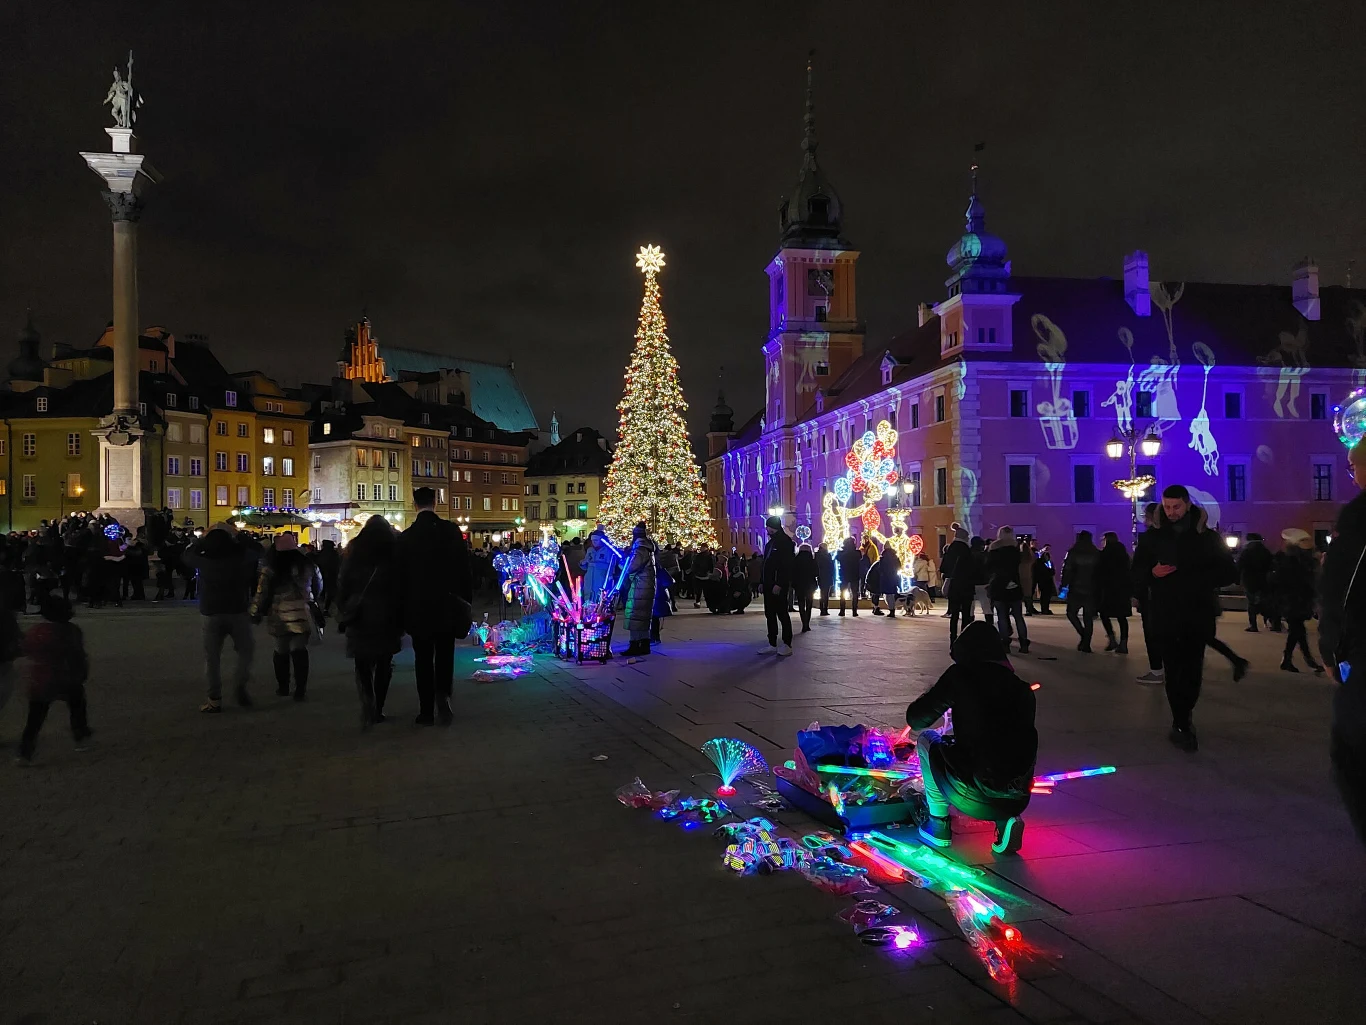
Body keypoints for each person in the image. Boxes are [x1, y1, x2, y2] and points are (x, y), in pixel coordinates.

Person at [905, 621, 1037, 855]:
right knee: (1002, 751)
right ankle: (1006, 820)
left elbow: (916, 720)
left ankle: (938, 826)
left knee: (927, 739)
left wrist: (936, 693)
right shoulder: (1023, 689)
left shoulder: (962, 675)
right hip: (1017, 796)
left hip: (970, 794)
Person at [1131, 484, 1236, 752]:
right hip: (1165, 614)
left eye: (1176, 507)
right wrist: (1152, 573)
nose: (1171, 512)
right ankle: (1180, 722)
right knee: (1173, 671)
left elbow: (1228, 573)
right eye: (1167, 507)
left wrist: (1197, 577)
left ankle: (1184, 714)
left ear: (1187, 505)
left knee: (1191, 672)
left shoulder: (1206, 537)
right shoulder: (1152, 538)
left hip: (1196, 613)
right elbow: (1136, 574)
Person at [1317, 440, 1366, 846]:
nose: (1351, 477)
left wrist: (1331, 653)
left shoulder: (1360, 521)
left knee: (1351, 752)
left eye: (1352, 467)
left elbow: (1340, 592)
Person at [396, 487, 473, 724]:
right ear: (435, 503)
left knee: (422, 658)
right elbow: (464, 569)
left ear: (415, 504)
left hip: (418, 607)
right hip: (447, 604)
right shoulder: (450, 531)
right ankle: (444, 695)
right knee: (445, 655)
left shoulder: (406, 537)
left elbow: (399, 577)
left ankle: (426, 710)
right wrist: (465, 600)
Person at [183, 523, 260, 713]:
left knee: (212, 658)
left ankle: (214, 698)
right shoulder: (241, 558)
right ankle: (240, 684)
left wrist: (202, 539)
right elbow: (258, 550)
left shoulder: (204, 561)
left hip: (211, 612)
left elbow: (186, 555)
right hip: (237, 610)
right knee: (245, 652)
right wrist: (238, 535)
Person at [336, 516, 402, 728]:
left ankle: (367, 700)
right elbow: (403, 583)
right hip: (388, 614)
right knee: (384, 663)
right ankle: (378, 707)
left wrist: (343, 606)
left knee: (362, 663)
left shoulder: (355, 549)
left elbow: (343, 581)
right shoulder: (394, 550)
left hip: (360, 614)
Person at [15, 595, 91, 765]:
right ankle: (80, 735)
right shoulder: (72, 631)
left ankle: (25, 752)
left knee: (34, 719)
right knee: (77, 705)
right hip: (67, 676)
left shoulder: (38, 631)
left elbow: (26, 649)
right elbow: (78, 654)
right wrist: (82, 671)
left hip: (42, 678)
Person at [251, 532, 323, 701]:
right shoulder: (308, 565)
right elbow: (319, 585)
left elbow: (261, 592)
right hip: (301, 611)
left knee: (280, 649)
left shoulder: (271, 567)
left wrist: (255, 611)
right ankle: (300, 689)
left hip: (279, 613)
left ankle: (283, 687)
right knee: (299, 649)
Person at [1274, 527, 1324, 674]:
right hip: (1293, 600)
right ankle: (1301, 660)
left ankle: (1293, 660)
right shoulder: (1295, 561)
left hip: (1294, 600)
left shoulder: (1294, 560)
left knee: (1298, 631)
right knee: (1297, 631)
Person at [1132, 504, 1166, 684]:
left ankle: (1157, 670)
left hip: (1151, 594)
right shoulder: (1173, 536)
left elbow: (1139, 568)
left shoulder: (1149, 539)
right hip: (1171, 595)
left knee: (1152, 633)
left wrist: (1137, 593)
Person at [986, 526, 1030, 654]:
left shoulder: (993, 549)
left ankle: (1005, 643)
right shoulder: (1017, 550)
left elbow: (988, 568)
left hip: (999, 586)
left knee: (1002, 617)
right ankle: (1024, 642)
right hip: (1015, 586)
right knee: (1018, 617)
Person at [618, 522, 657, 657]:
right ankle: (643, 643)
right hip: (645, 585)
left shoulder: (640, 549)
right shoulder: (645, 547)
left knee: (635, 615)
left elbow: (631, 567)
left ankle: (635, 644)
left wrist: (622, 562)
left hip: (641, 586)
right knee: (642, 616)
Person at [759, 515, 795, 655]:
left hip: (778, 585)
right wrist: (762, 582)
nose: (767, 529)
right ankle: (772, 643)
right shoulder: (771, 543)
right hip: (768, 584)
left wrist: (779, 583)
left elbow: (786, 566)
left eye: (768, 527)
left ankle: (787, 644)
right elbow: (765, 565)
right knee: (770, 614)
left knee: (782, 613)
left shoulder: (784, 542)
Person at [1061, 530, 1101, 652]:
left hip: (1076, 588)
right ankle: (1086, 642)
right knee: (1088, 617)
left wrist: (1063, 585)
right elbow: (1100, 573)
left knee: (1071, 613)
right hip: (1091, 589)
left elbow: (1067, 569)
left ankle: (1083, 636)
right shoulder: (1096, 553)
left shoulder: (1073, 552)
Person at [939, 523, 978, 647]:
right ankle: (964, 638)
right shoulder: (967, 550)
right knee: (966, 614)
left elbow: (943, 568)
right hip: (966, 586)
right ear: (965, 537)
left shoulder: (950, 549)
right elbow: (972, 569)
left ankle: (953, 639)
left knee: (954, 615)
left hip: (954, 586)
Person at [1096, 531, 1132, 654]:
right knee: (1122, 617)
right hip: (1122, 589)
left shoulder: (1104, 555)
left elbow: (1100, 572)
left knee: (1104, 614)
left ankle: (1112, 638)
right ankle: (1123, 643)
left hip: (1108, 589)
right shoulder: (1123, 554)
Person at [1237, 532, 1274, 632]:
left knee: (1251, 603)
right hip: (1263, 580)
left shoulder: (1246, 551)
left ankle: (1253, 625)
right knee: (1264, 601)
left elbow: (1240, 565)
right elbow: (1271, 565)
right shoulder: (1265, 551)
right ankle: (1272, 621)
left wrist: (1236, 578)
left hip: (1249, 580)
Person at [580, 527, 616, 606]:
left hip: (601, 579)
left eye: (596, 540)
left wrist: (596, 564)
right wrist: (583, 563)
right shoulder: (590, 550)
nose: (594, 542)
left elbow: (611, 566)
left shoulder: (608, 551)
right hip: (589, 581)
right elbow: (586, 564)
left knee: (600, 600)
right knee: (588, 600)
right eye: (592, 541)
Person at [793, 541, 817, 632]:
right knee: (809, 604)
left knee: (801, 604)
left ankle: (804, 622)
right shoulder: (812, 560)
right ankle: (807, 623)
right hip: (810, 584)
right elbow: (816, 573)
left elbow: (793, 572)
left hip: (799, 584)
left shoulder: (796, 559)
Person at [315, 539, 341, 615]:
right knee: (330, 593)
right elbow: (337, 565)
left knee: (321, 592)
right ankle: (326, 609)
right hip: (331, 576)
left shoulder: (320, 554)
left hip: (321, 576)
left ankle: (321, 608)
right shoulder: (334, 554)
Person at [837, 537, 860, 617]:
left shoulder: (841, 552)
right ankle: (854, 611)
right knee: (855, 593)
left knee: (842, 593)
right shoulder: (857, 553)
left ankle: (842, 610)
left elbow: (838, 558)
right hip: (854, 574)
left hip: (844, 574)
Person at [657, 543, 681, 613]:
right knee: (671, 591)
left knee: (662, 592)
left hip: (662, 575)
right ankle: (673, 604)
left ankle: (666, 606)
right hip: (672, 575)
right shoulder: (673, 556)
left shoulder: (659, 556)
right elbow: (676, 567)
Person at [1033, 545, 1056, 614]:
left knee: (1047, 596)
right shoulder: (1040, 563)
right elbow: (1045, 571)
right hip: (1043, 581)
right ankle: (1044, 609)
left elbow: (1052, 571)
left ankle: (1046, 608)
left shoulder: (1049, 563)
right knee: (1044, 596)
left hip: (1048, 581)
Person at [814, 541, 835, 616]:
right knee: (826, 594)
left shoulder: (817, 555)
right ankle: (825, 609)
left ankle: (822, 608)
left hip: (820, 576)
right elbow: (831, 566)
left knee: (822, 593)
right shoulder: (827, 555)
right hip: (827, 576)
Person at [1019, 539, 1038, 615]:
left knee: (1019, 595)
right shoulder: (1030, 558)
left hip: (1020, 577)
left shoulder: (1019, 558)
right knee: (1028, 595)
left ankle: (1016, 610)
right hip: (1028, 577)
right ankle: (1029, 609)